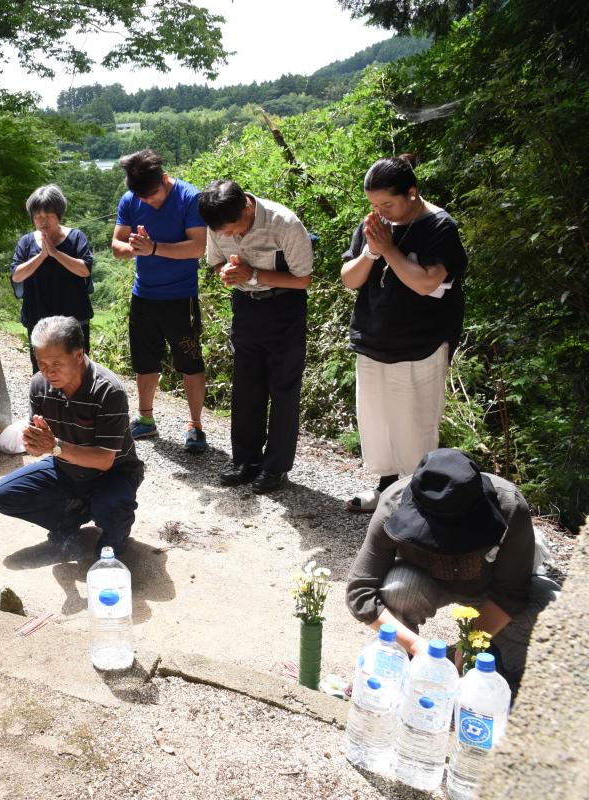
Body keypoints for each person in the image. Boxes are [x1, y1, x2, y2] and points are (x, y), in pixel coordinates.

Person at [345, 448, 558, 691]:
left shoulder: (509, 506)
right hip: (424, 582)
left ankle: (506, 672)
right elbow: (360, 592)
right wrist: (418, 646)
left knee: (550, 607)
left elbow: (511, 593)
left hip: (490, 587)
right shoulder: (392, 505)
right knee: (398, 588)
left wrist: (469, 644)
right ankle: (397, 659)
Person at [340, 154, 468, 513]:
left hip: (420, 343)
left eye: (388, 203)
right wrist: (370, 252)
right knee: (379, 424)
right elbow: (349, 279)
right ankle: (386, 491)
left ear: (412, 192)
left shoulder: (439, 225)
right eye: (374, 205)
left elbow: (427, 283)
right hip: (373, 337)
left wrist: (389, 250)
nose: (381, 211)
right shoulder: (377, 224)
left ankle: (418, 502)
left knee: (414, 425)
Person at [0, 316, 145, 556]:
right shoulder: (39, 385)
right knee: (2, 494)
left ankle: (113, 530)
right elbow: (39, 448)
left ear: (79, 355)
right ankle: (72, 515)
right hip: (66, 469)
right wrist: (35, 443)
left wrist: (55, 446)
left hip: (113, 473)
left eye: (56, 364)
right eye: (41, 363)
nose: (48, 372)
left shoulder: (108, 390)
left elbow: (104, 460)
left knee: (110, 522)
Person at [199, 180, 313, 494]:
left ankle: (275, 468)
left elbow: (303, 279)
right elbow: (216, 261)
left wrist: (252, 274)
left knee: (283, 389)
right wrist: (226, 271)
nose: (230, 236)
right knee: (247, 386)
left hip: (284, 308)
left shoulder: (283, 223)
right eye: (224, 232)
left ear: (247, 207)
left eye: (234, 228)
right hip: (245, 307)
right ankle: (245, 461)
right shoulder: (218, 221)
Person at [111, 149, 209, 452]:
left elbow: (197, 248)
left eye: (152, 196)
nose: (148, 202)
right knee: (144, 361)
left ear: (165, 180)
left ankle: (195, 426)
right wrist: (133, 249)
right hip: (144, 295)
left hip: (181, 297)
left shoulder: (189, 197)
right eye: (142, 199)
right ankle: (146, 419)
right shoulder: (131, 199)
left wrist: (154, 248)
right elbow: (116, 245)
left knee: (190, 362)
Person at [10, 184, 95, 375]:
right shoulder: (26, 242)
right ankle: (44, 404)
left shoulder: (75, 237)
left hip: (73, 319)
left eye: (48, 216)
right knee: (42, 371)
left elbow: (84, 270)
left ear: (59, 214)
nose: (43, 221)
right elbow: (16, 275)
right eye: (38, 217)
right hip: (38, 318)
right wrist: (41, 256)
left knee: (77, 369)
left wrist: (55, 253)